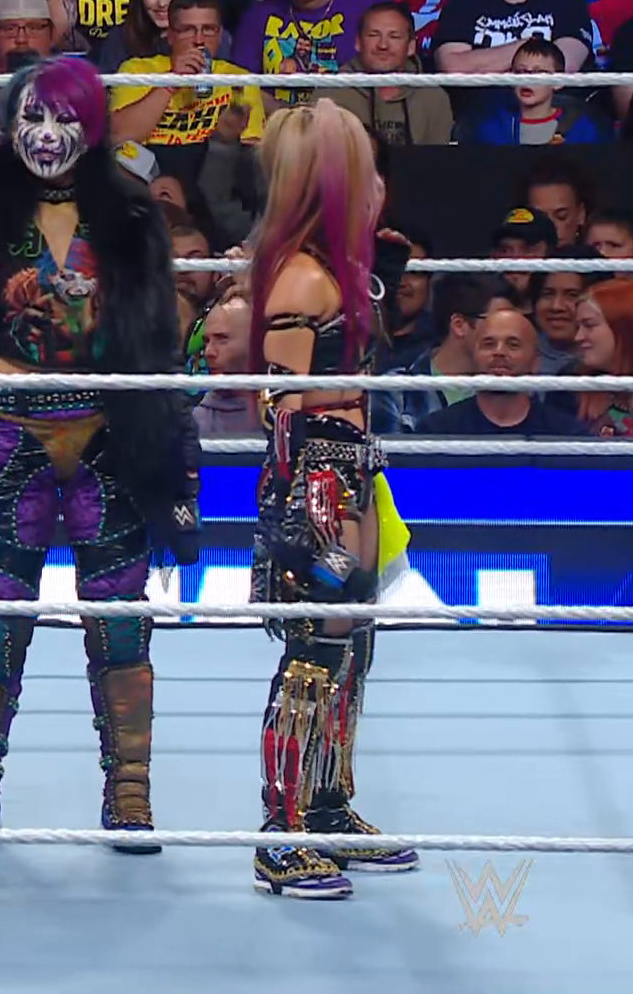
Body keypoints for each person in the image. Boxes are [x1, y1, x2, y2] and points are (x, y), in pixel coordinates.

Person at [0, 57, 202, 855]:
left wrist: (174, 457)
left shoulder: (132, 212)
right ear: (10, 120)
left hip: (108, 432)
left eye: (64, 119)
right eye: (33, 117)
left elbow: (160, 341)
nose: (47, 136)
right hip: (9, 429)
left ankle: (130, 797)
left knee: (120, 621)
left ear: (94, 126)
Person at [245, 100, 420, 900]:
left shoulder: (337, 270)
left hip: (353, 469)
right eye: (366, 173)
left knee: (355, 648)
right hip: (319, 477)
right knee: (314, 650)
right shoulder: (304, 278)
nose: (380, 187)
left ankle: (327, 806)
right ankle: (281, 834)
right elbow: (278, 406)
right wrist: (312, 518)